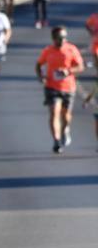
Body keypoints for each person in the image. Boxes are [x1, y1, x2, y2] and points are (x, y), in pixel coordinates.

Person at [35, 26, 84, 154]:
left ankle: (65, 130)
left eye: (64, 37)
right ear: (53, 38)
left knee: (66, 116)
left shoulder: (71, 49)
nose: (62, 40)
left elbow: (80, 66)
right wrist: (41, 77)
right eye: (59, 38)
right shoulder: (48, 51)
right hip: (52, 86)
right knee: (54, 113)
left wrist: (68, 71)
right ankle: (56, 141)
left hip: (68, 87)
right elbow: (39, 64)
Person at [86, 10, 98, 76]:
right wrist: (91, 31)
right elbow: (87, 24)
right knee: (96, 56)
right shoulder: (94, 17)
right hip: (95, 40)